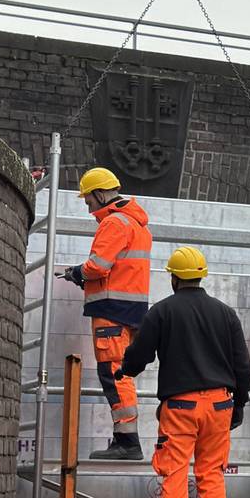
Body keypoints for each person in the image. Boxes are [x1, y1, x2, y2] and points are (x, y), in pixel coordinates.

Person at [117, 246, 250, 498]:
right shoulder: (225, 313)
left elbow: (139, 357)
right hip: (220, 403)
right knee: (212, 472)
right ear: (201, 276)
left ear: (174, 278)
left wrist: (125, 368)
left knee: (175, 473)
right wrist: (239, 404)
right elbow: (242, 366)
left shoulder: (162, 312)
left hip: (180, 407)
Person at [58, 167, 151, 461]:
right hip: (130, 310)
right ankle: (126, 439)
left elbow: (98, 266)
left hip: (112, 311)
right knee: (119, 372)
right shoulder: (137, 224)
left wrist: (77, 272)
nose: (88, 207)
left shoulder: (114, 222)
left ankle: (127, 442)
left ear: (100, 194)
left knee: (113, 373)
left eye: (88, 200)